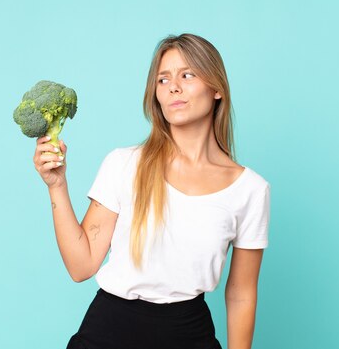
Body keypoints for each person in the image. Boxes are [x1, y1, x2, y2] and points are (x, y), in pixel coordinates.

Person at [33, 33, 271, 349]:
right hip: (108, 332)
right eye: (163, 79)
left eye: (187, 75)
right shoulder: (124, 164)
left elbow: (241, 293)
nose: (173, 86)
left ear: (216, 89)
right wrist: (57, 185)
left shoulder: (251, 190)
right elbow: (81, 266)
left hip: (189, 333)